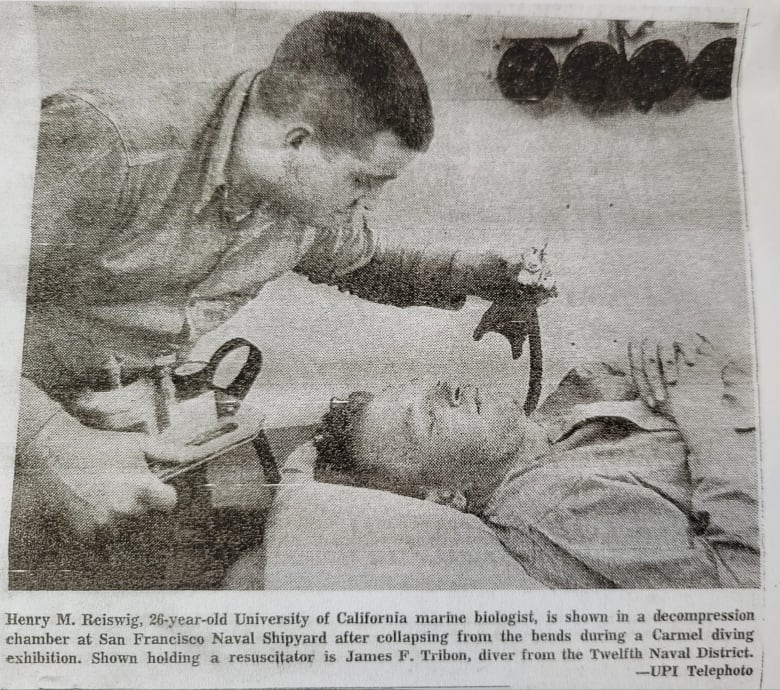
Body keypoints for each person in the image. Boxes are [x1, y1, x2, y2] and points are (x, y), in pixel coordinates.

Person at [12, 10, 554, 583]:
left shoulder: (298, 195)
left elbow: (365, 259)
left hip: (112, 411)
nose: (364, 205)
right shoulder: (109, 145)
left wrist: (478, 276)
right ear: (297, 141)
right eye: (363, 182)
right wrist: (48, 441)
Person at [300, 335, 759, 588]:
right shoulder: (556, 506)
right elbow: (745, 589)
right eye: (427, 418)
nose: (448, 390)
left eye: (426, 385)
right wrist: (702, 413)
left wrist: (658, 361)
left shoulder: (544, 432)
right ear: (445, 496)